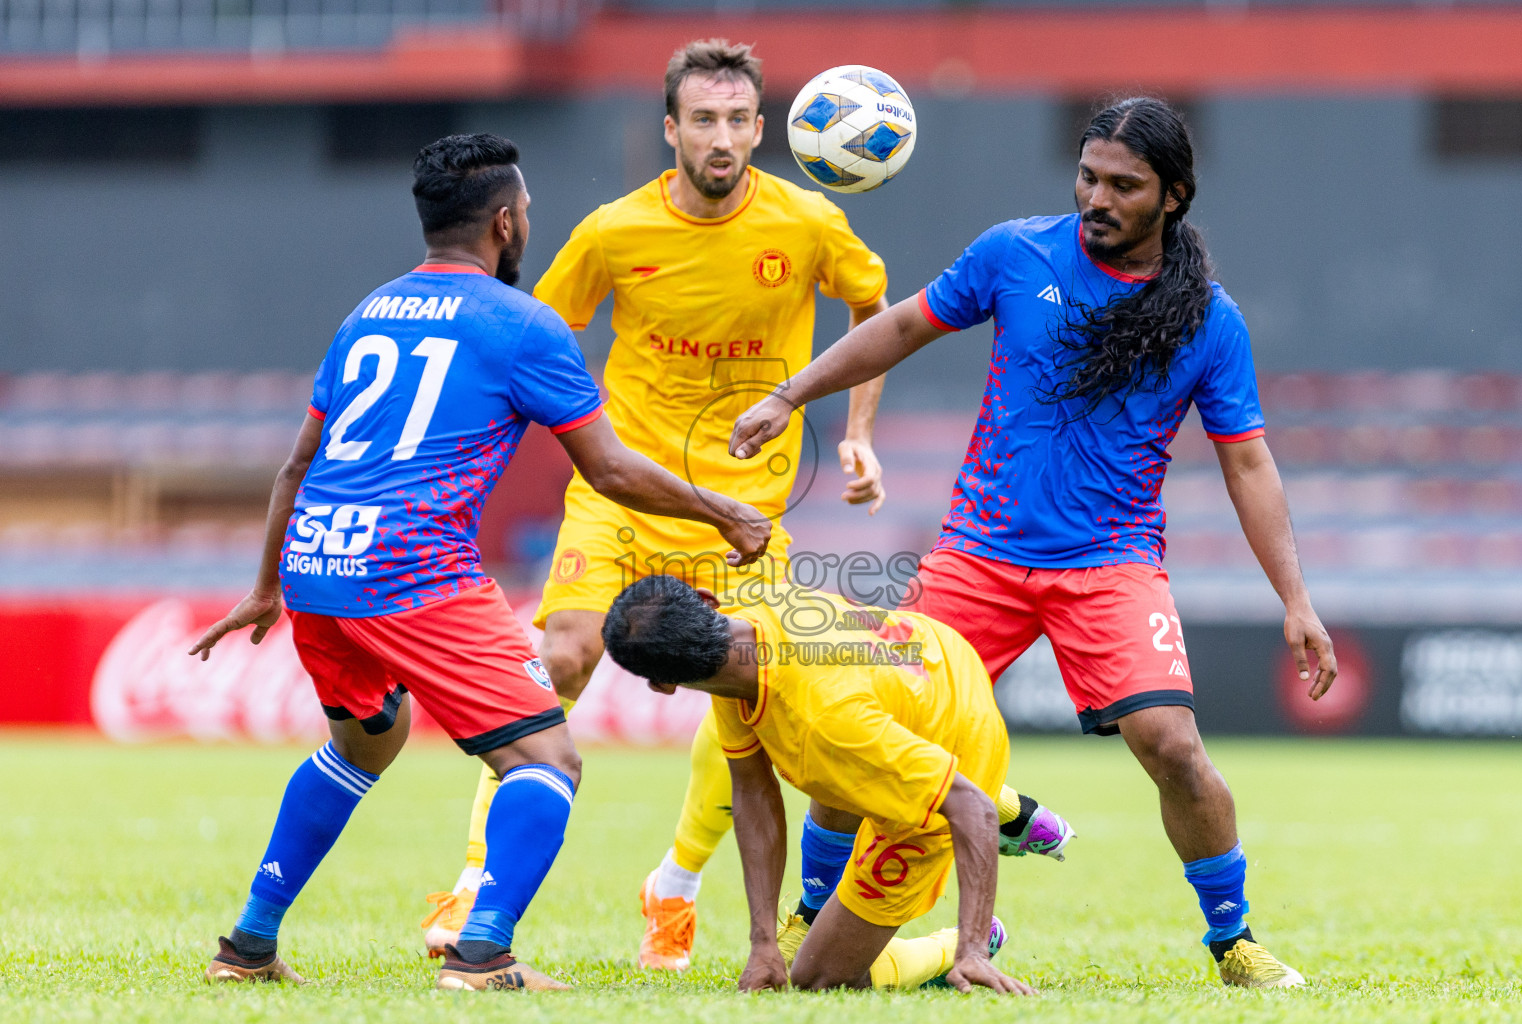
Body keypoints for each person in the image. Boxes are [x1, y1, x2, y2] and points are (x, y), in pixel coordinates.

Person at [417, 38, 1072, 972]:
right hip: (624, 498)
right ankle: (475, 892)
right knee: (558, 657)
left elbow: (873, 306)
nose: (721, 139)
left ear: (763, 130)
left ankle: (676, 885)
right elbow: (538, 332)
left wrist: (858, 432)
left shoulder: (808, 221)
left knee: (750, 700)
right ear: (671, 128)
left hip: (746, 516)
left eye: (737, 121)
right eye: (703, 120)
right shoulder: (613, 232)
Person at [728, 97, 1335, 989]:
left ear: (1172, 196)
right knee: (863, 717)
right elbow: (902, 326)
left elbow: (1248, 466)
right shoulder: (1015, 252)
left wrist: (1296, 601)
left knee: (1170, 743)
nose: (1097, 198)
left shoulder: (1209, 318)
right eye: (1088, 176)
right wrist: (792, 395)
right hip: (977, 556)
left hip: (1110, 565)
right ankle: (814, 912)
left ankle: (1232, 938)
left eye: (1124, 186)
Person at [188, 133, 770, 992]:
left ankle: (246, 945)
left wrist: (269, 585)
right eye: (526, 211)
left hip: (318, 557)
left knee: (364, 744)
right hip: (411, 568)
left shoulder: (370, 311)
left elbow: (294, 465)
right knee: (547, 762)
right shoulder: (523, 324)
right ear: (504, 222)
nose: (528, 221)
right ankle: (482, 954)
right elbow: (606, 468)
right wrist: (721, 509)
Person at [602, 573, 1036, 995]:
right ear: (706, 600)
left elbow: (972, 808)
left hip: (961, 740)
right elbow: (753, 793)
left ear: (663, 685)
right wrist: (763, 941)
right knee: (830, 769)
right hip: (931, 655)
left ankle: (960, 938)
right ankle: (821, 907)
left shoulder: (825, 722)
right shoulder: (742, 612)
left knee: (816, 979)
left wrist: (971, 949)